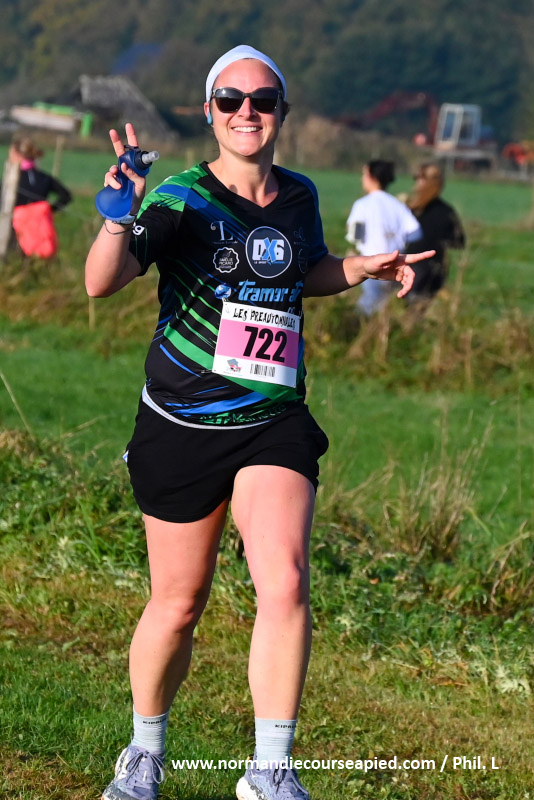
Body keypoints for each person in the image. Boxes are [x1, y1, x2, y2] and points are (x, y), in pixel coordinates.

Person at [85, 44, 434, 800]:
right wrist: (117, 218)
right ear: (210, 111)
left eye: (264, 100)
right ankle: (144, 752)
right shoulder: (180, 197)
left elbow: (302, 271)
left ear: (282, 112)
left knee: (284, 580)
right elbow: (100, 283)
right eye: (232, 99)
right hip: (181, 421)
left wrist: (356, 269)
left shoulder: (300, 194)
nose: (249, 111)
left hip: (272, 418)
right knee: (178, 604)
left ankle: (271, 770)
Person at [345, 160, 422, 316]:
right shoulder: (398, 205)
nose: (362, 178)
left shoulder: (362, 205)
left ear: (372, 177)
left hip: (370, 263)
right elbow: (416, 233)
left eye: (364, 174)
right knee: (388, 305)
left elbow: (355, 235)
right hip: (395, 263)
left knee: (369, 304)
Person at [405, 161, 465, 302]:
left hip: (412, 269)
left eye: (419, 178)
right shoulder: (447, 212)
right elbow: (458, 242)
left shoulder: (412, 211)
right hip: (434, 271)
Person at [6, 136, 72, 259]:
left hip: (15, 231)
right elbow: (66, 196)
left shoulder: (11, 181)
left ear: (18, 155)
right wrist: (48, 210)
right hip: (41, 231)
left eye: (11, 154)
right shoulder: (44, 178)